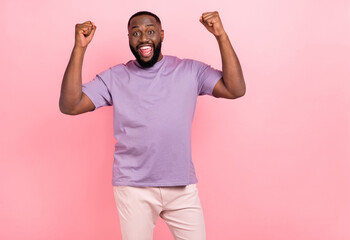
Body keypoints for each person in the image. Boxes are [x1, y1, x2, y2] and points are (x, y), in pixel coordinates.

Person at [59, 10, 245, 240]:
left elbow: (235, 89)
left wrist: (221, 36)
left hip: (181, 187)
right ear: (128, 38)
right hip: (133, 188)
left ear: (162, 35)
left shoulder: (190, 71)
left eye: (150, 31)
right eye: (135, 33)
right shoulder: (114, 77)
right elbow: (70, 105)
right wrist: (80, 48)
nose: (143, 38)